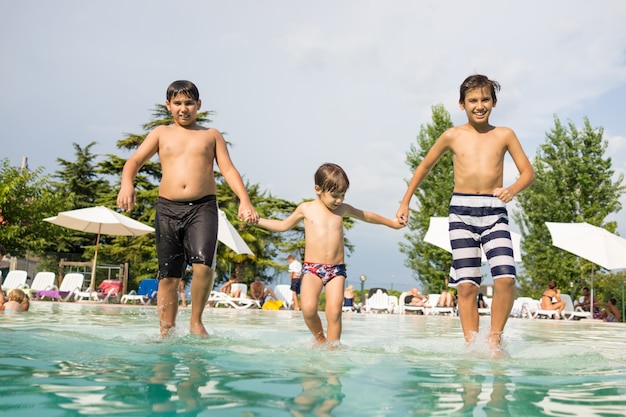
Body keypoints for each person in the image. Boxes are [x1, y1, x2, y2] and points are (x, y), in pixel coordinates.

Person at [396, 74, 535, 349]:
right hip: (461, 213)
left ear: (493, 102)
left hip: (495, 212)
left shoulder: (505, 134)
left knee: (506, 277)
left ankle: (494, 339)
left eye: (485, 99)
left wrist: (513, 189)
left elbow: (528, 172)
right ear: (462, 104)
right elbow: (424, 167)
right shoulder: (452, 135)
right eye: (472, 100)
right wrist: (405, 201)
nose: (479, 105)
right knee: (467, 285)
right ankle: (472, 344)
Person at [116, 80, 258, 338]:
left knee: (203, 264)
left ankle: (195, 320)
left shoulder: (210, 135)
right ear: (168, 106)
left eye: (189, 103)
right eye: (178, 103)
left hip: (203, 208)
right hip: (168, 209)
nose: (184, 109)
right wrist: (127, 184)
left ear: (198, 105)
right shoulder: (161, 133)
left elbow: (228, 169)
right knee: (169, 275)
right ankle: (166, 329)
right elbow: (134, 160)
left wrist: (244, 200)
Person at [253, 163, 404, 345]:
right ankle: (320, 340)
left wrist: (391, 223)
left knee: (334, 312)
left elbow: (367, 216)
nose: (339, 200)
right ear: (318, 189)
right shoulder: (306, 208)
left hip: (336, 271)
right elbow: (282, 225)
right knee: (308, 309)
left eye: (342, 195)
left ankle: (334, 346)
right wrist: (258, 220)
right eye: (334, 195)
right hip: (312, 269)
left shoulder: (342, 209)